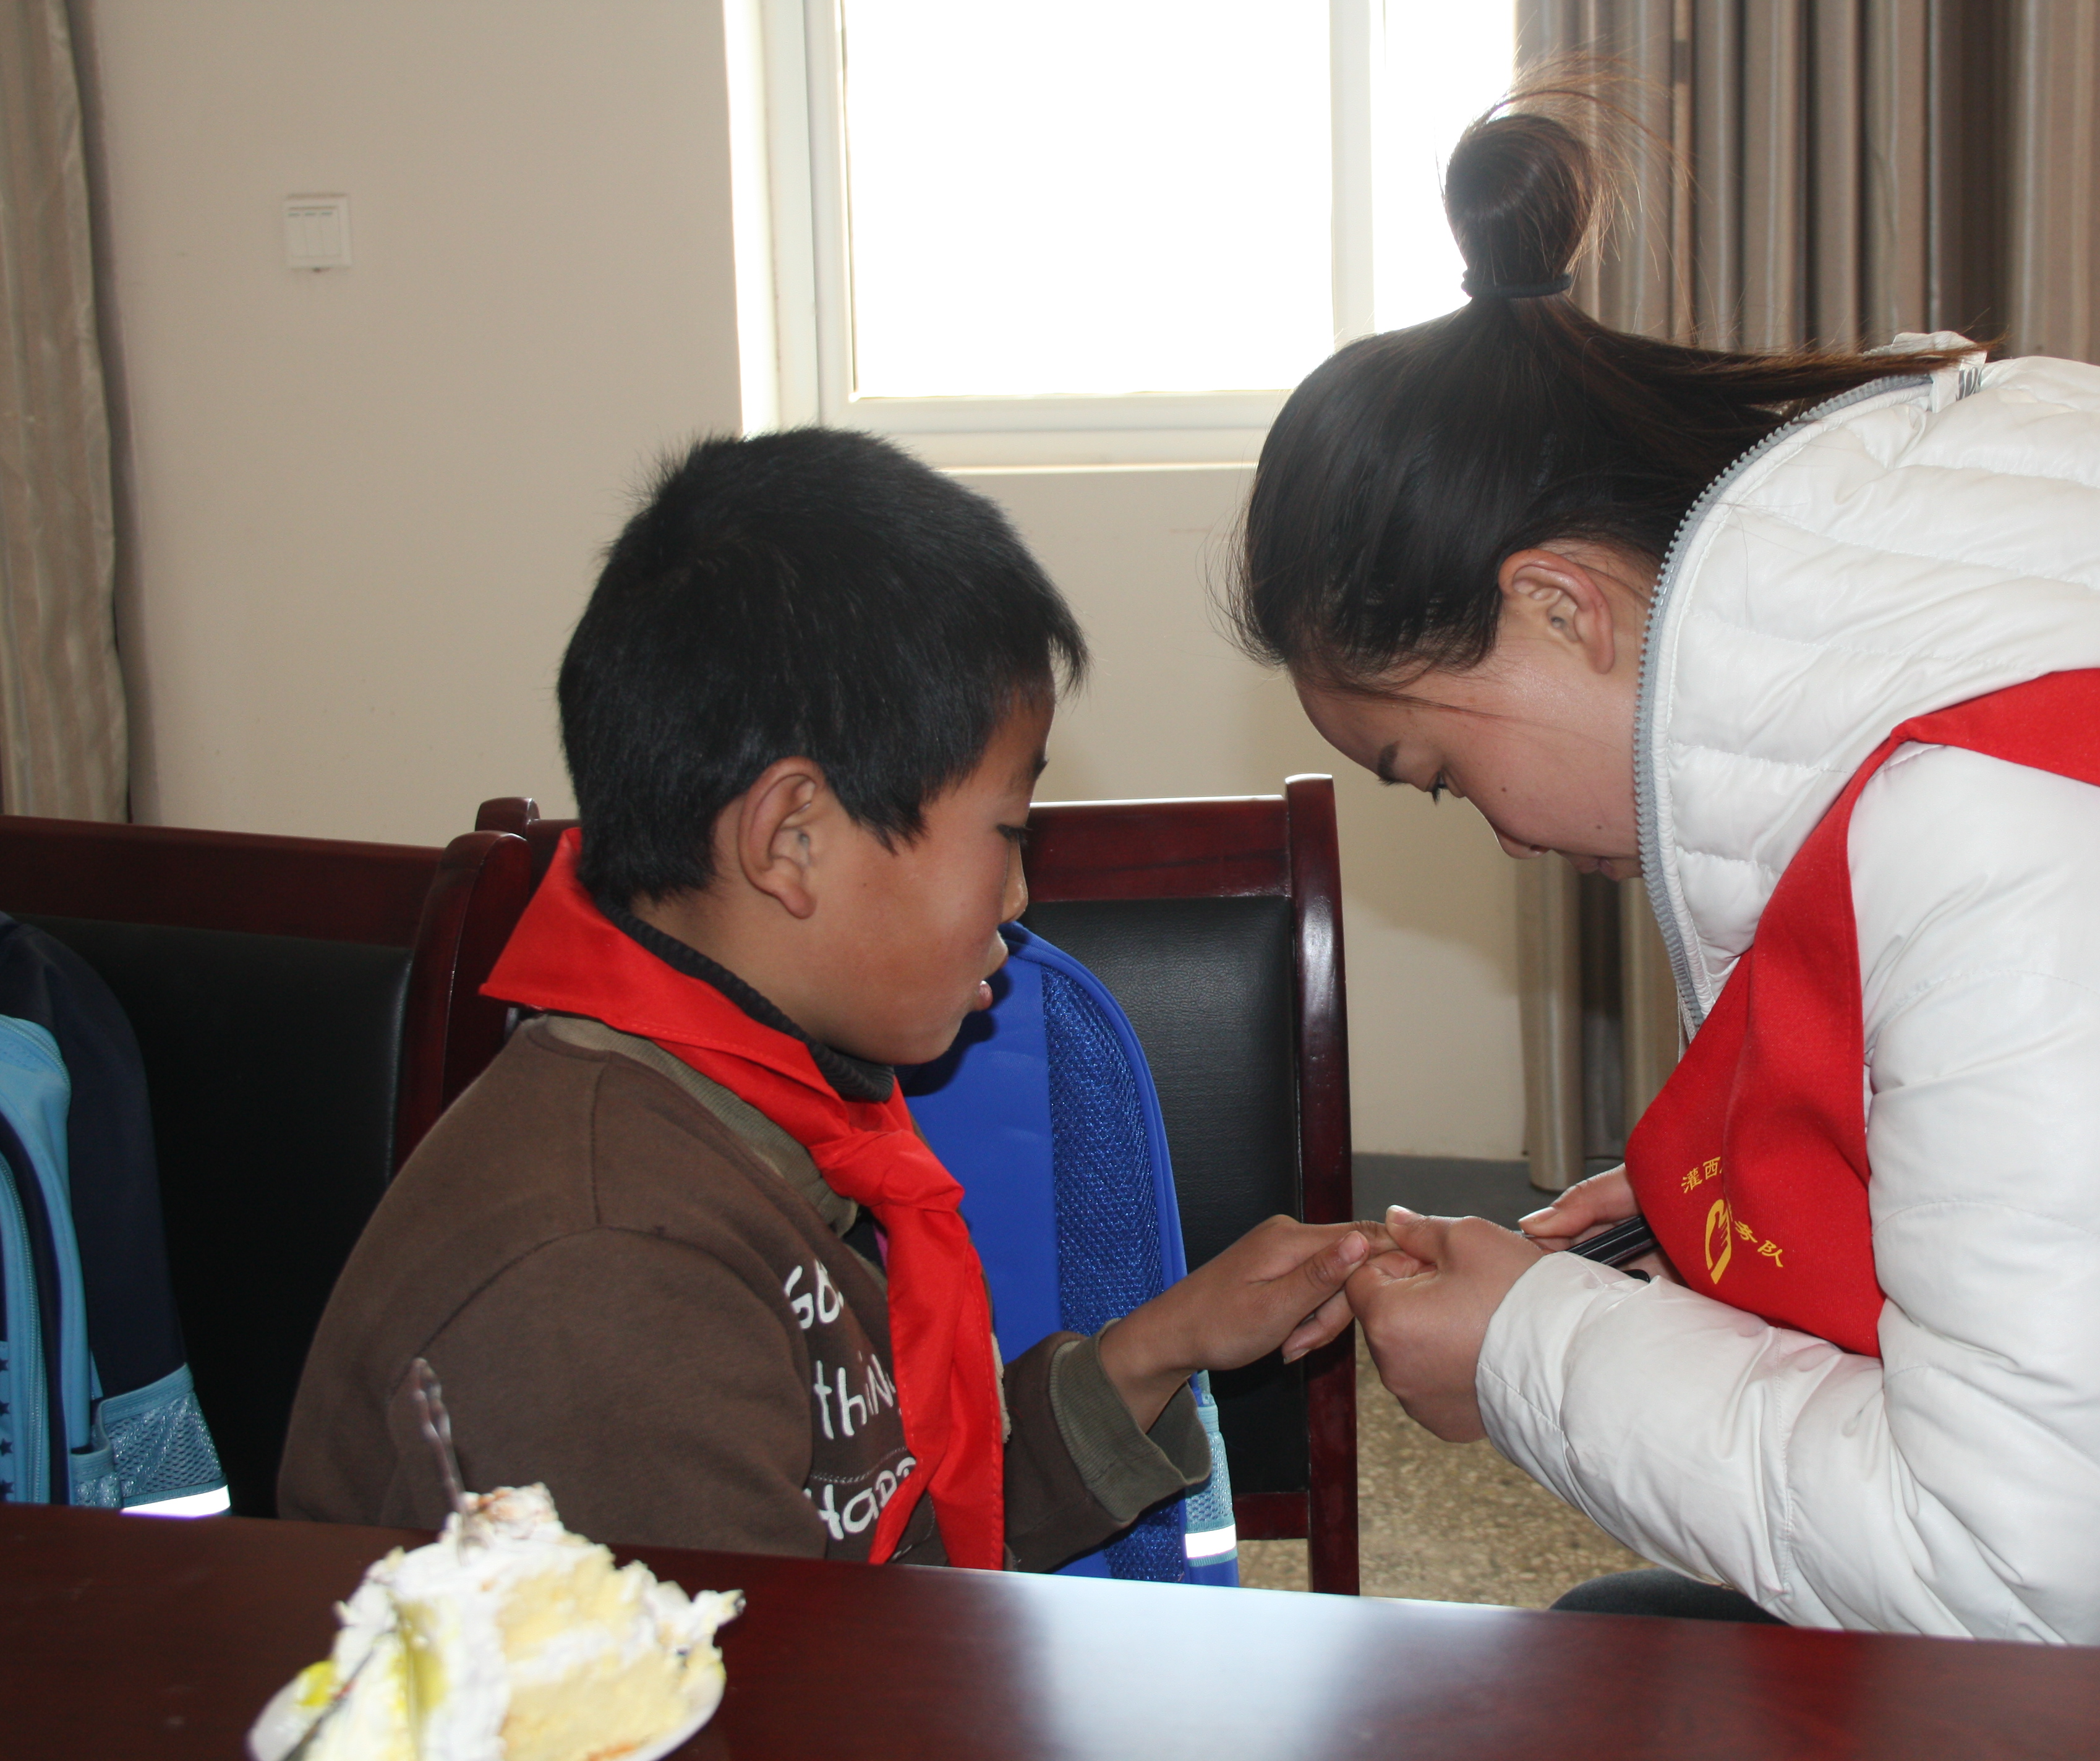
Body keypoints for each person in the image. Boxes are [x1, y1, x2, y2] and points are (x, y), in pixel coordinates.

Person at [1231, 103, 2100, 1679]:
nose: (1494, 834)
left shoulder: (2012, 823)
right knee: (1610, 1644)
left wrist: (1527, 1355)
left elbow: (2021, 1568)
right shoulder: (2031, 670)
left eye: (1432, 767)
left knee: (1574, 1679)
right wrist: (1786, 1192)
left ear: (1561, 606)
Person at [282, 429, 1382, 1567]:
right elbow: (784, 1663)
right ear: (791, 840)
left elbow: (888, 1537)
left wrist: (1161, 1345)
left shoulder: (736, 1126)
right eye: (1008, 832)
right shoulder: (606, 1280)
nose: (1017, 899)